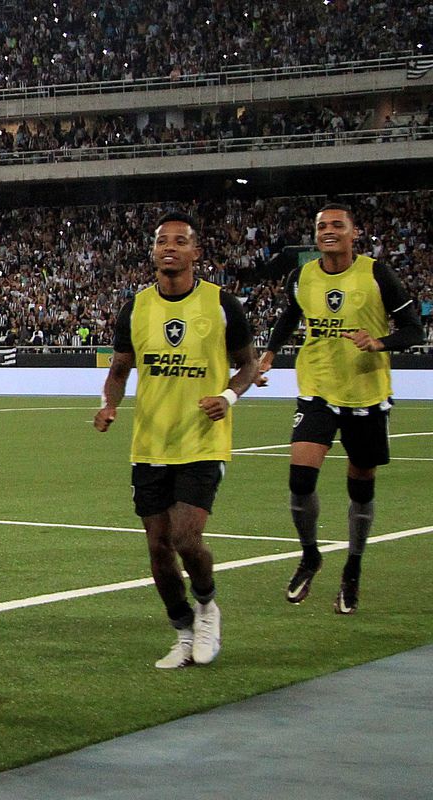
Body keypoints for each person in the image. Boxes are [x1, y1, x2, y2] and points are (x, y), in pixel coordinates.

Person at [95, 212, 259, 668]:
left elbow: (249, 363)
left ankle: (207, 607)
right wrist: (109, 405)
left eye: (180, 241)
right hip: (150, 445)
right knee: (158, 549)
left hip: (202, 442)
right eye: (162, 241)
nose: (170, 247)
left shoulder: (221, 304)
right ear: (153, 252)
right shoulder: (136, 307)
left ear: (195, 252)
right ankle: (183, 631)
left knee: (186, 538)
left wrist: (228, 396)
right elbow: (119, 369)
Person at [259, 202, 424, 614]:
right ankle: (310, 554)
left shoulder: (377, 274)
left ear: (354, 233)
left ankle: (353, 567)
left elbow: (414, 330)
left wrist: (379, 342)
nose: (328, 231)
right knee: (300, 479)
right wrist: (270, 352)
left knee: (361, 484)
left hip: (365, 394)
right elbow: (291, 315)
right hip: (317, 389)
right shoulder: (302, 276)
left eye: (337, 225)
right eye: (322, 226)